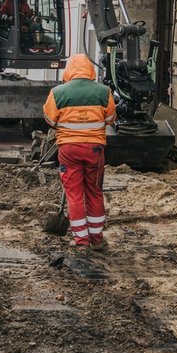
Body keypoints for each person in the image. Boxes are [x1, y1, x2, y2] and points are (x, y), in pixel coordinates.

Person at [42, 53, 116, 251]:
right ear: (90, 70)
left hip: (69, 150)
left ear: (69, 70)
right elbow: (110, 119)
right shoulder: (104, 92)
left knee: (74, 195)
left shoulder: (57, 93)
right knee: (94, 192)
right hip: (94, 150)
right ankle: (97, 240)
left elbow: (50, 120)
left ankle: (81, 241)